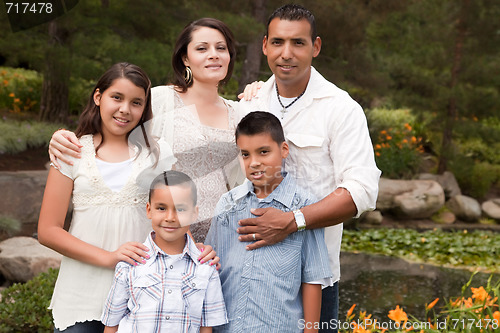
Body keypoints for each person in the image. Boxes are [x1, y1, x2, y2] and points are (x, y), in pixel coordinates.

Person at [236, 5, 381, 332]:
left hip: (313, 278)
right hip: (251, 272)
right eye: (277, 42)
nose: (286, 53)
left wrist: (293, 221)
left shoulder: (341, 109)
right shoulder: (250, 104)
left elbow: (362, 190)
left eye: (298, 43)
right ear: (264, 46)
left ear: (315, 46)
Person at [48, 18, 242, 243]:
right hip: (166, 232)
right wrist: (62, 136)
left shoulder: (240, 111)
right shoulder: (160, 100)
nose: (213, 54)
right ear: (185, 58)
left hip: (224, 233)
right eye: (202, 48)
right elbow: (115, 125)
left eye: (221, 48)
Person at [38, 62, 165, 332]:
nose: (124, 109)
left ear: (144, 109)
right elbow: (48, 230)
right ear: (98, 97)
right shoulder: (71, 150)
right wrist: (109, 257)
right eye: (116, 97)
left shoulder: (157, 154)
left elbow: (172, 220)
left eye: (136, 102)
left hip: (139, 294)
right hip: (80, 295)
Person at [206, 111, 332, 333]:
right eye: (245, 154)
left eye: (263, 152)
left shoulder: (304, 207)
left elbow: (312, 279)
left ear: (284, 150)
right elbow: (210, 269)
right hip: (227, 327)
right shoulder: (227, 205)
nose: (254, 163)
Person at [101, 171, 228, 333]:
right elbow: (112, 323)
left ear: (194, 213)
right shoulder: (130, 263)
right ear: (149, 210)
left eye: (180, 209)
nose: (170, 217)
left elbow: (206, 327)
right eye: (161, 208)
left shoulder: (206, 268)